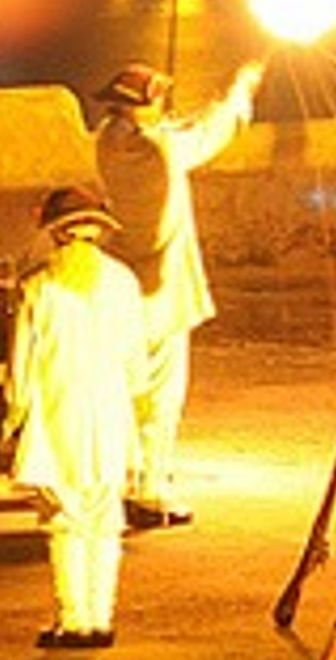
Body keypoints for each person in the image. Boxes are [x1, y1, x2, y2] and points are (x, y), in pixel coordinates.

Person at [88, 54, 263, 527]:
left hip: (123, 289)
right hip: (158, 293)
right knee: (160, 397)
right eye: (159, 102)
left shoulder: (110, 142)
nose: (165, 108)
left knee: (124, 390)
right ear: (141, 108)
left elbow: (178, 131)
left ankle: (120, 479)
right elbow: (201, 137)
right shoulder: (157, 153)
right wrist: (237, 92)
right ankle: (148, 490)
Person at [6, 184, 152, 651]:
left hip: (56, 417)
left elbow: (21, 371)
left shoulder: (37, 288)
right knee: (104, 519)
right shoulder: (124, 283)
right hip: (110, 415)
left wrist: (14, 420)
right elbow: (137, 365)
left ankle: (74, 621)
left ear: (56, 236)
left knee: (65, 520)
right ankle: (99, 620)